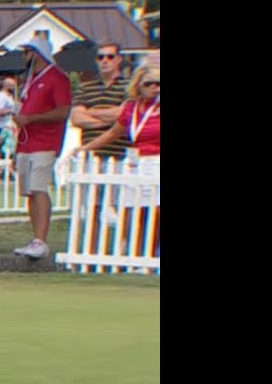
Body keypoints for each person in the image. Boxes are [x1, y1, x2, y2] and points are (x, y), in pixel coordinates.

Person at [74, 66, 160, 257]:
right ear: (139, 86)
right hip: (137, 162)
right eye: (149, 84)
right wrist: (85, 148)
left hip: (157, 162)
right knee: (132, 211)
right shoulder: (131, 109)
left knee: (155, 212)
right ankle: (136, 254)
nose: (155, 88)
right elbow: (113, 133)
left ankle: (153, 254)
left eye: (158, 83)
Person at [10, 36, 72, 260]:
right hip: (27, 142)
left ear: (36, 53)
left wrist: (32, 118)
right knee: (28, 191)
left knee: (38, 188)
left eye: (27, 52)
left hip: (45, 142)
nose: (24, 56)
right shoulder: (30, 80)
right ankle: (36, 239)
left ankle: (41, 239)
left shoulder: (57, 78)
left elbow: (63, 111)